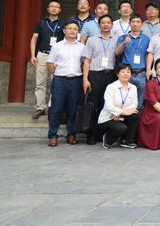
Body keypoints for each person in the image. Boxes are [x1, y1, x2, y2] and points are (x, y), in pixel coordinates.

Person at [46, 21, 84, 147]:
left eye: (75, 29)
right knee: (56, 109)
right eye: (70, 28)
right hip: (60, 81)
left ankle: (71, 134)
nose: (72, 31)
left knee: (73, 109)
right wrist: (58, 74)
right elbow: (50, 63)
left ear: (78, 32)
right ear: (64, 31)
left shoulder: (82, 47)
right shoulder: (57, 46)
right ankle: (53, 136)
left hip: (76, 80)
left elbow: (83, 64)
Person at [81, 14, 117, 145]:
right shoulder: (92, 40)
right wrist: (85, 79)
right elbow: (86, 60)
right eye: (103, 23)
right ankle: (90, 134)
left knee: (107, 104)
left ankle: (101, 133)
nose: (106, 25)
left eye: (108, 22)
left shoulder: (117, 39)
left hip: (111, 75)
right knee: (93, 104)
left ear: (112, 25)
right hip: (95, 75)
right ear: (99, 25)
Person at [29, 0, 65, 119]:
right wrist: (33, 55)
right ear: (48, 9)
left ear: (60, 10)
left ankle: (52, 106)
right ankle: (40, 108)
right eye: (52, 6)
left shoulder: (64, 24)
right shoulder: (41, 23)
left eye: (56, 7)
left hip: (58, 56)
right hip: (43, 54)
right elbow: (34, 39)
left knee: (56, 82)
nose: (54, 8)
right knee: (40, 82)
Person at [96, 63, 139, 149]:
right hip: (108, 117)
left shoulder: (133, 87)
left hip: (120, 116)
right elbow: (108, 106)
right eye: (123, 72)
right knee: (121, 128)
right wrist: (121, 112)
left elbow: (134, 104)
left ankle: (127, 141)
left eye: (128, 72)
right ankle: (107, 140)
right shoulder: (111, 87)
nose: (126, 74)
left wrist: (121, 113)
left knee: (134, 115)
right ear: (117, 74)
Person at [115, 14, 150, 106]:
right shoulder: (122, 38)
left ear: (142, 24)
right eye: (133, 22)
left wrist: (148, 70)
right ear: (129, 23)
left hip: (141, 73)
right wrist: (124, 43)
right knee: (125, 97)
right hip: (126, 73)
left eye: (138, 22)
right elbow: (117, 53)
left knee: (140, 98)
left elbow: (148, 56)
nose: (135, 24)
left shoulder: (146, 39)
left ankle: (138, 114)